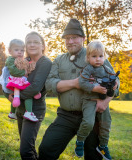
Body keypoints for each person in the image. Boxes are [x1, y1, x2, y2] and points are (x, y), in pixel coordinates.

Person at [39, 19, 119, 160]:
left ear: (83, 38)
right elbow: (50, 84)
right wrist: (75, 83)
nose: (70, 41)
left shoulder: (95, 55)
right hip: (66, 116)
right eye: (67, 38)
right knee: (46, 149)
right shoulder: (59, 60)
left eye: (74, 37)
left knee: (94, 157)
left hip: (92, 116)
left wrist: (105, 102)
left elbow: (116, 82)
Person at [4, 32, 52, 159]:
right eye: (29, 42)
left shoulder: (45, 62)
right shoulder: (23, 61)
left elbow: (36, 87)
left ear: (42, 45)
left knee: (25, 150)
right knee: (27, 148)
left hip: (34, 109)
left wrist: (16, 96)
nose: (32, 44)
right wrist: (8, 93)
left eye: (35, 42)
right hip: (20, 108)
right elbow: (9, 79)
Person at [75, 40, 117, 160]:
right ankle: (80, 141)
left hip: (103, 100)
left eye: (100, 56)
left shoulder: (107, 68)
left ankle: (103, 146)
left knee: (106, 123)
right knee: (88, 122)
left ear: (104, 56)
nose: (98, 59)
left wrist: (114, 84)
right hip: (89, 99)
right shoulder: (88, 69)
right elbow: (81, 82)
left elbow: (115, 79)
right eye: (94, 56)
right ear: (88, 57)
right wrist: (95, 88)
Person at [0, 39, 42, 122]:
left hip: (16, 81)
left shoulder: (21, 60)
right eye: (16, 50)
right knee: (26, 95)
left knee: (17, 96)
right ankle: (28, 112)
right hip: (11, 82)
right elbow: (13, 71)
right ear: (9, 51)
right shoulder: (10, 60)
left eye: (22, 50)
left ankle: (12, 112)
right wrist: (24, 72)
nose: (20, 52)